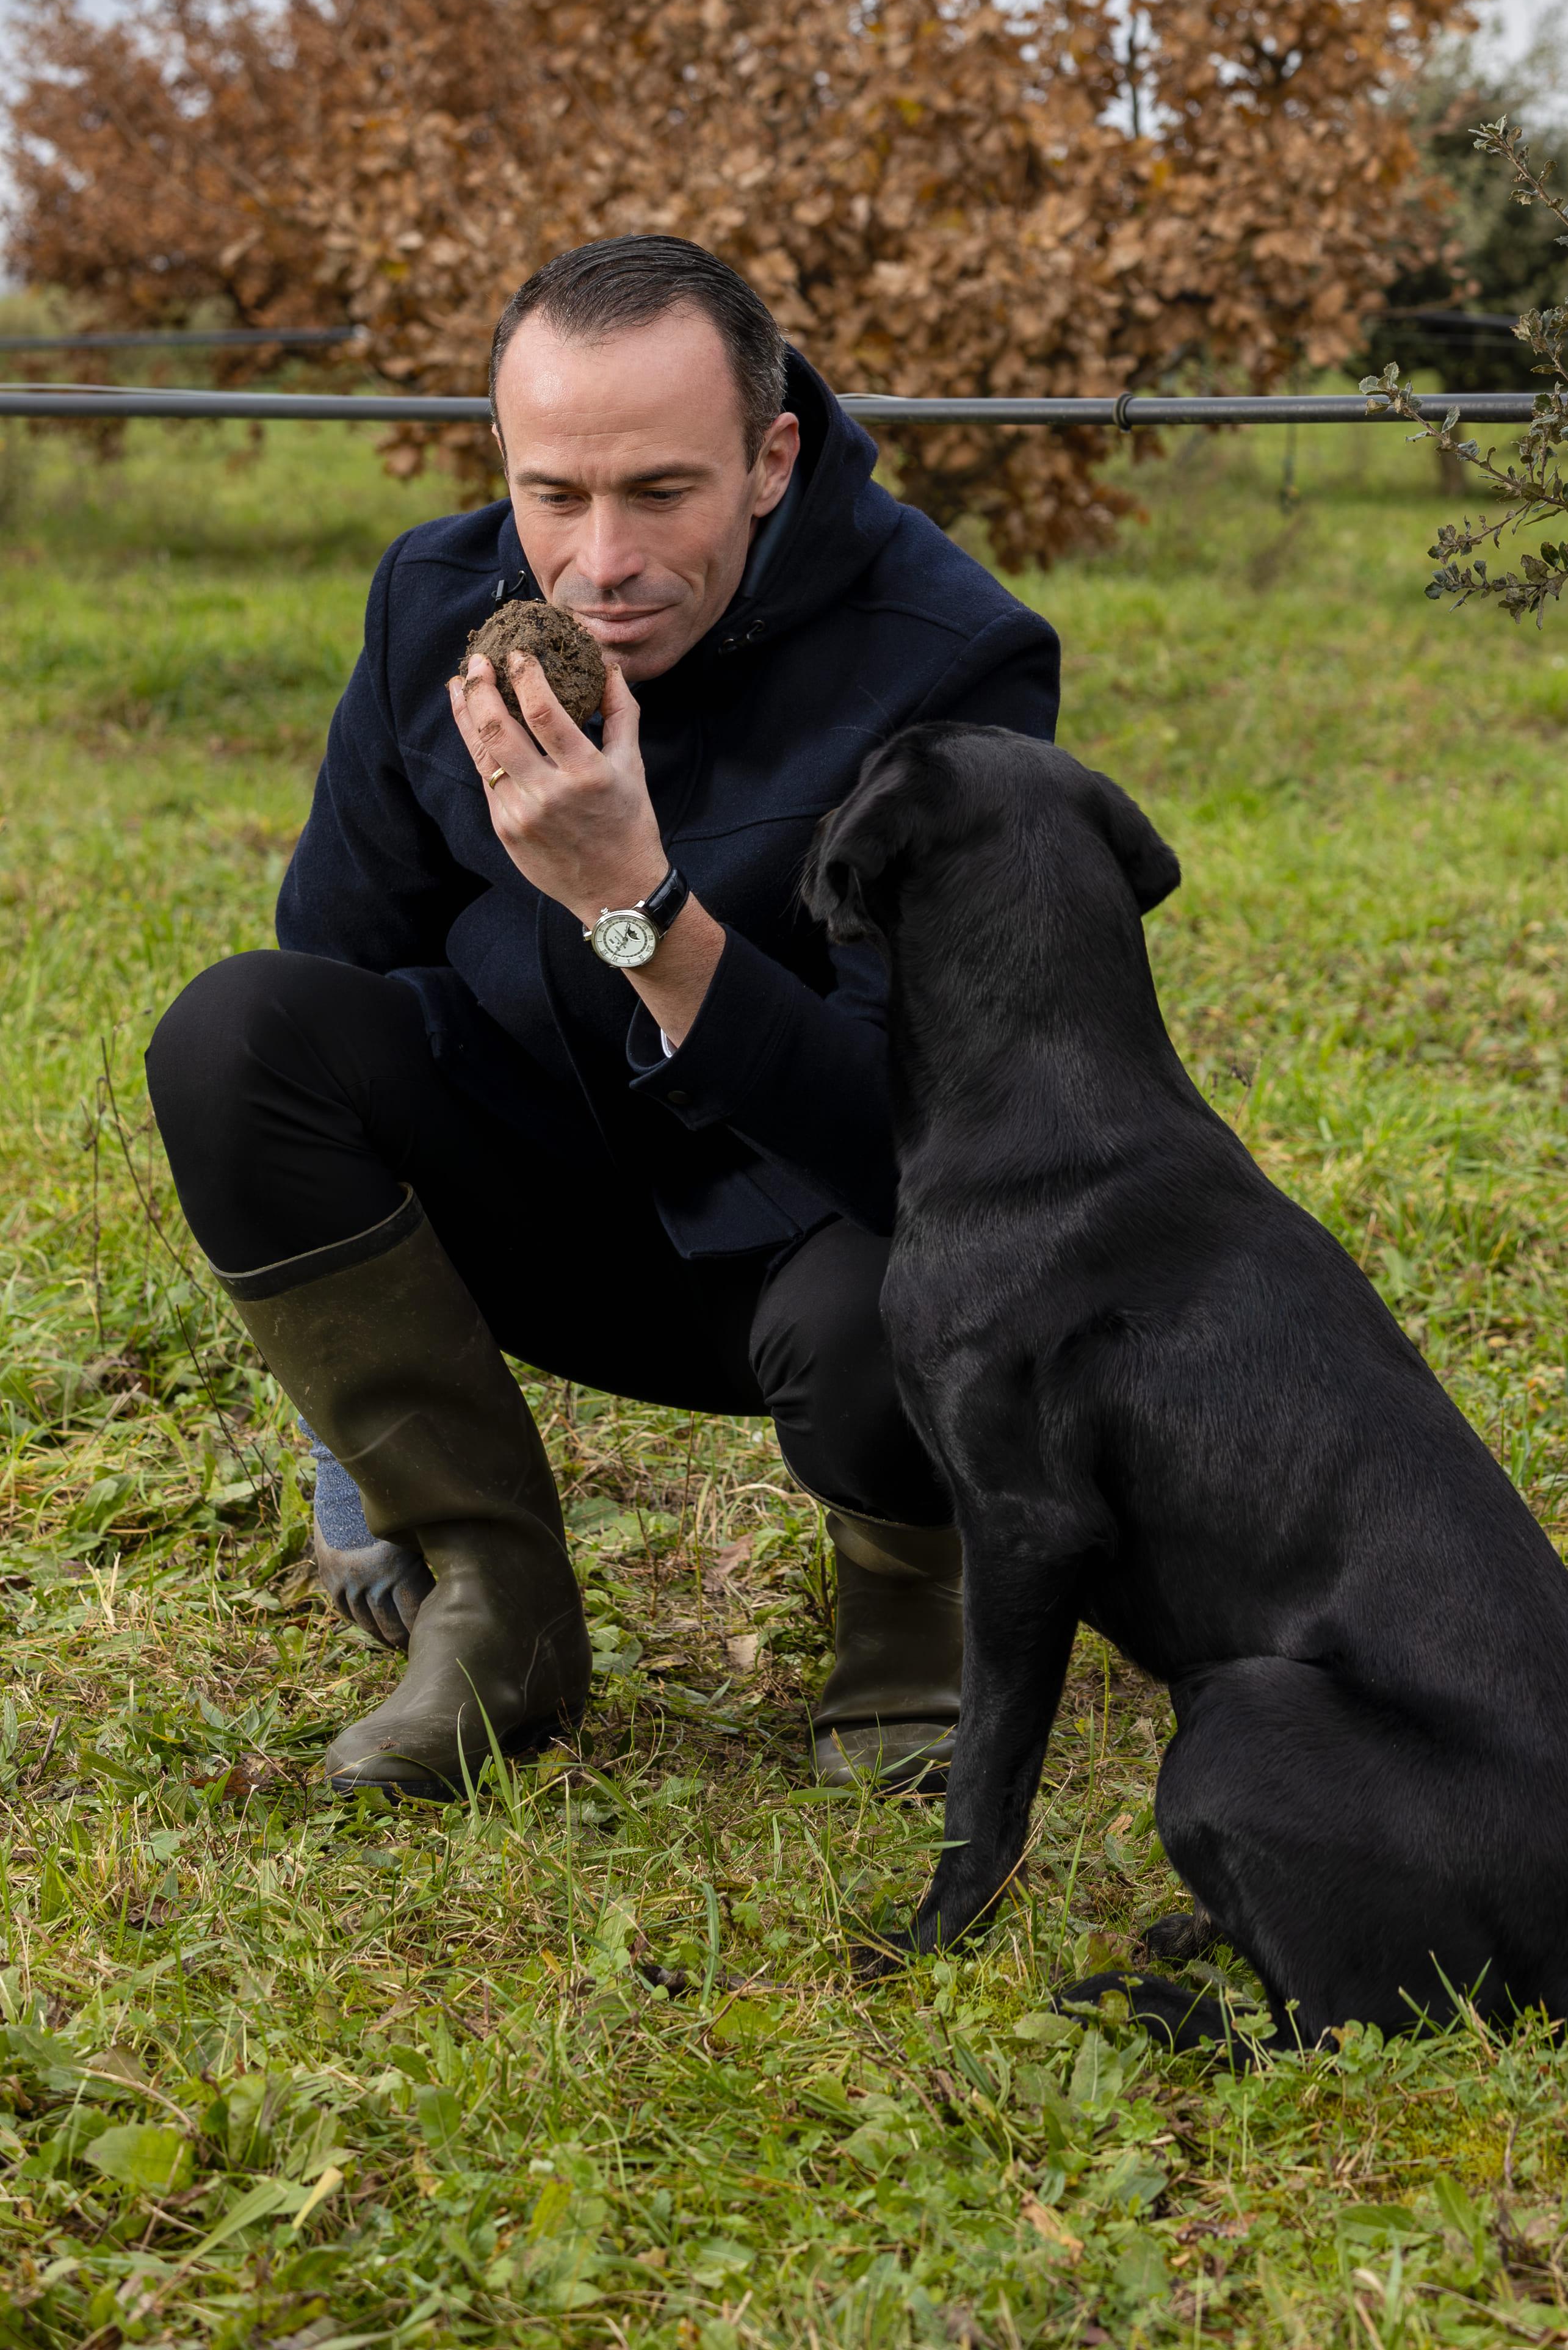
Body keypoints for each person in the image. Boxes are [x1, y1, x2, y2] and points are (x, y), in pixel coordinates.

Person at [145, 233, 1058, 1802]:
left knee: (887, 1297)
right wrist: (346, 1468)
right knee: (236, 1036)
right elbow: (338, 984)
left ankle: (915, 1608)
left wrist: (633, 902)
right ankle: (496, 1607)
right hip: (558, 1204)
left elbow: (932, 1145)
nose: (600, 562)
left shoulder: (951, 660)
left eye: (659, 493)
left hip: (827, 1244)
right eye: (554, 495)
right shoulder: (434, 603)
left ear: (769, 459)